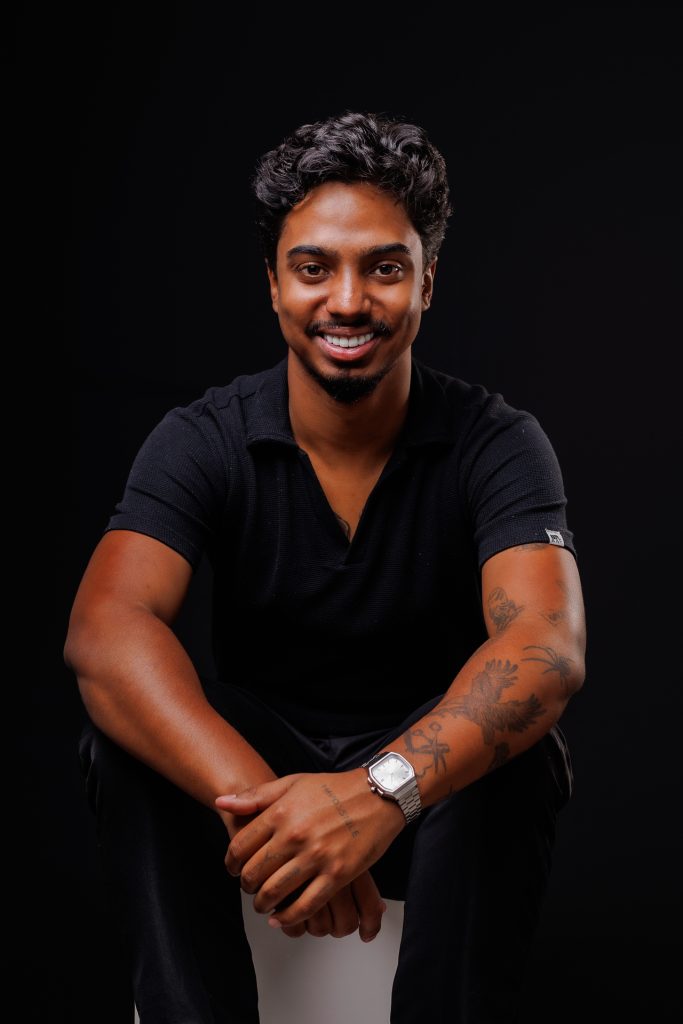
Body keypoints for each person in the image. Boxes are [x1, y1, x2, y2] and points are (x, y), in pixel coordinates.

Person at [64, 110, 586, 1024]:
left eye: (383, 268)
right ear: (273, 285)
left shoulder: (497, 442)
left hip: (429, 807)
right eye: (313, 268)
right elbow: (105, 631)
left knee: (518, 746)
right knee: (124, 736)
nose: (347, 301)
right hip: (252, 787)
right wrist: (280, 816)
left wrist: (378, 797)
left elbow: (545, 646)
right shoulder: (203, 438)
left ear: (427, 283)